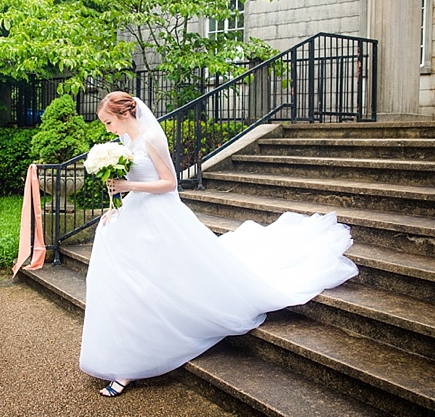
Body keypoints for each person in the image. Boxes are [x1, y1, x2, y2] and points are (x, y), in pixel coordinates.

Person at [79, 91, 359, 397]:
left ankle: (134, 361)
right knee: (126, 281)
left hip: (160, 215)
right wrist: (115, 200)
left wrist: (129, 185)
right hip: (135, 213)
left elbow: (170, 183)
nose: (108, 129)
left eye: (108, 122)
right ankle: (127, 354)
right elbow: (130, 183)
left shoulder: (150, 139)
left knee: (163, 278)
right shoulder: (124, 144)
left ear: (123, 115)